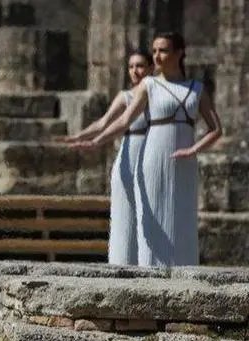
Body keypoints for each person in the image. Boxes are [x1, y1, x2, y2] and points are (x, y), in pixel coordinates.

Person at [72, 32, 223, 266]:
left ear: (179, 53)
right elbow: (124, 121)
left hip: (184, 163)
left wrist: (194, 150)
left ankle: (184, 276)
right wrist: (97, 141)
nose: (157, 56)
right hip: (153, 158)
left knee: (182, 219)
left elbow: (216, 129)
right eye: (154, 51)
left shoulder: (196, 89)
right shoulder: (149, 85)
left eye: (163, 50)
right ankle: (149, 275)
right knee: (152, 223)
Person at [57, 49, 154, 265]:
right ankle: (123, 261)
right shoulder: (126, 96)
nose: (135, 71)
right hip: (130, 154)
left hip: (153, 155)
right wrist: (79, 137)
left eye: (140, 66)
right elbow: (103, 123)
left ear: (151, 68)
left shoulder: (158, 95)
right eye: (131, 67)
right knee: (126, 212)